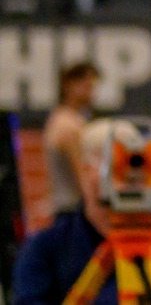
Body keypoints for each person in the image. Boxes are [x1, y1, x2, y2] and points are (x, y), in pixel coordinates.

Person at [11, 120, 151, 305]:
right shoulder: (45, 249)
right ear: (85, 170)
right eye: (115, 163)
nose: (128, 174)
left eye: (134, 162)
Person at [42, 62, 98, 226]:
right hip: (72, 212)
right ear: (69, 85)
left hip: (66, 208)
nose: (91, 93)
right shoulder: (69, 126)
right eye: (87, 87)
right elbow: (82, 174)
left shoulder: (60, 119)